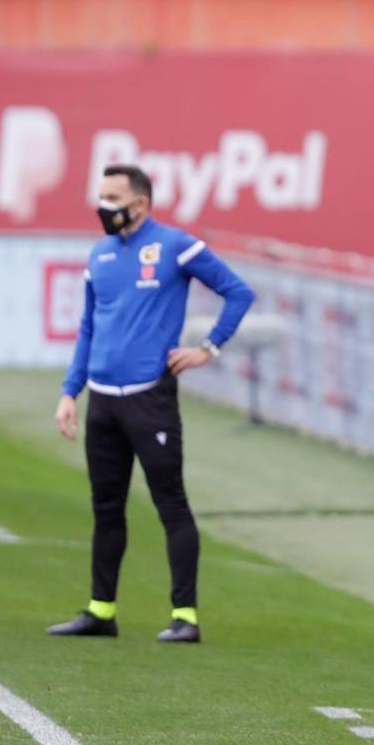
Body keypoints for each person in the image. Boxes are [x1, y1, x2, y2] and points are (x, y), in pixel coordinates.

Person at [47, 164, 255, 644]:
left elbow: (238, 292)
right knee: (106, 508)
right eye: (101, 196)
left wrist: (209, 348)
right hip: (102, 400)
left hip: (149, 398)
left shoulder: (176, 245)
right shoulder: (99, 255)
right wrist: (69, 391)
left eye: (112, 197)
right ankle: (101, 610)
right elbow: (87, 328)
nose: (103, 206)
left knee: (170, 503)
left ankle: (186, 615)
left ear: (139, 203)